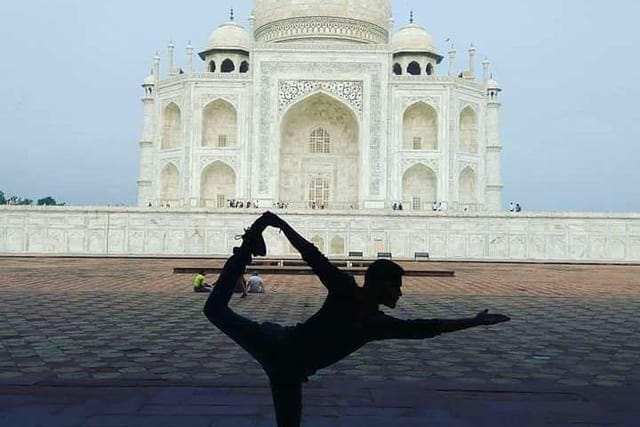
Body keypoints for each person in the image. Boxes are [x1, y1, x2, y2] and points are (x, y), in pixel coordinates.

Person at [203, 212, 510, 427]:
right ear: (379, 284)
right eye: (396, 287)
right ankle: (245, 251)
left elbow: (424, 328)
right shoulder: (346, 291)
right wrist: (280, 224)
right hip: (277, 345)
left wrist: (472, 321)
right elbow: (313, 257)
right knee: (214, 310)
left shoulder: (376, 324)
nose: (400, 295)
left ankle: (249, 245)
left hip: (290, 371)